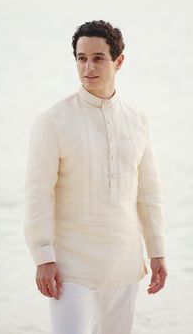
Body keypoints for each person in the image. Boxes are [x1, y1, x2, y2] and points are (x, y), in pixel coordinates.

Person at [24, 20, 168, 334]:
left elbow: (148, 191)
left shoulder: (137, 119)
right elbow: (38, 194)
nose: (88, 66)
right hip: (71, 268)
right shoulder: (53, 120)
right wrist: (43, 256)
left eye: (98, 58)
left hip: (125, 265)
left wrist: (156, 251)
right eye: (81, 57)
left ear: (119, 61)